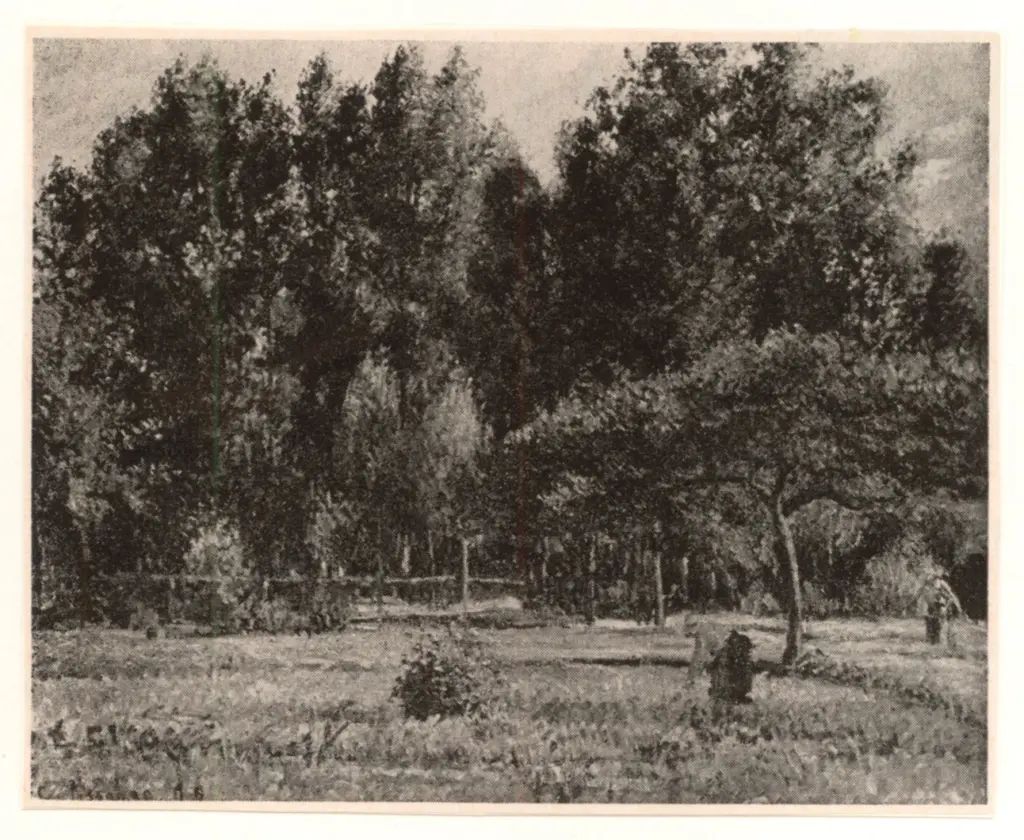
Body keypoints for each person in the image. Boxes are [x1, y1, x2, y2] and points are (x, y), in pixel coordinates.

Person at [916, 568, 964, 645]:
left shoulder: (941, 584)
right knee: (930, 622)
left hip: (943, 606)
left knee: (940, 624)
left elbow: (951, 596)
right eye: (929, 577)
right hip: (932, 606)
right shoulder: (926, 587)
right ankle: (932, 640)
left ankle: (943, 641)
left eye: (932, 577)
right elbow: (919, 594)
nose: (930, 579)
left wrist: (957, 607)